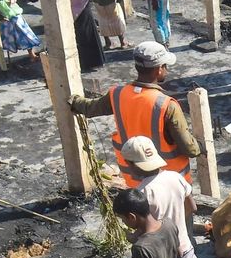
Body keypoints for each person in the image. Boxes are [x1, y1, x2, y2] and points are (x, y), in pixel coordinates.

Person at [71, 42, 197, 186]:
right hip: (170, 184)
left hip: (135, 181)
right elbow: (189, 148)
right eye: (165, 66)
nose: (166, 70)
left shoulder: (117, 95)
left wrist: (74, 101)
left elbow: (90, 108)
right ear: (159, 70)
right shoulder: (167, 105)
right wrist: (200, 147)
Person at [67, 0, 105, 71]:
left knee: (79, 39)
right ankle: (90, 63)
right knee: (88, 38)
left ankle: (82, 63)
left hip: (72, 14)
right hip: (84, 13)